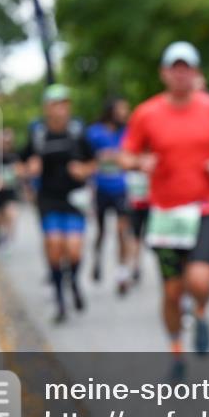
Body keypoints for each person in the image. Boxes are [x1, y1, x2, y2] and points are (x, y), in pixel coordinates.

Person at [120, 41, 209, 378]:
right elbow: (126, 154)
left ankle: (202, 312)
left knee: (199, 279)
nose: (180, 73)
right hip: (166, 215)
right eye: (174, 67)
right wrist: (139, 162)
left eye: (186, 67)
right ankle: (176, 350)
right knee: (172, 291)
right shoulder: (147, 113)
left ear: (196, 72)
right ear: (163, 73)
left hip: (203, 208)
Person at [20, 84, 96, 324]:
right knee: (54, 246)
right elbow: (20, 164)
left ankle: (72, 280)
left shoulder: (78, 132)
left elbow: (95, 161)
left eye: (64, 104)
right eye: (55, 104)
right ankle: (60, 300)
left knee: (73, 250)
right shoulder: (38, 135)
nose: (60, 109)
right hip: (48, 199)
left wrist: (84, 170)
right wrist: (29, 170)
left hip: (75, 199)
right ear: (46, 108)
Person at [86, 98, 134, 295]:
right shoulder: (94, 132)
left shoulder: (128, 131)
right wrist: (99, 157)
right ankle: (97, 258)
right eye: (122, 109)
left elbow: (132, 153)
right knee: (101, 231)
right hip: (101, 188)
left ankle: (122, 272)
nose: (125, 112)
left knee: (122, 231)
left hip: (121, 188)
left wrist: (119, 156)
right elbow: (85, 156)